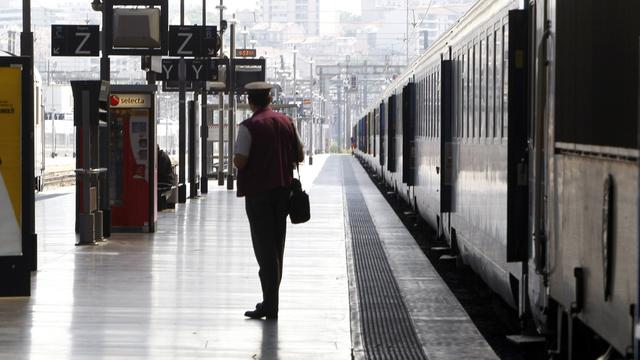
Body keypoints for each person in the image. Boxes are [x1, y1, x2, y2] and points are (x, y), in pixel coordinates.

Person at [234, 82, 304, 320]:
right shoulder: (287, 122)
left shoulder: (249, 126)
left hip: (257, 195)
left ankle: (269, 305)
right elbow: (300, 155)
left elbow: (241, 161)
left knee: (264, 250)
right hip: (282, 193)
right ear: (270, 98)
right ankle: (271, 300)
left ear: (250, 101)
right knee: (276, 247)